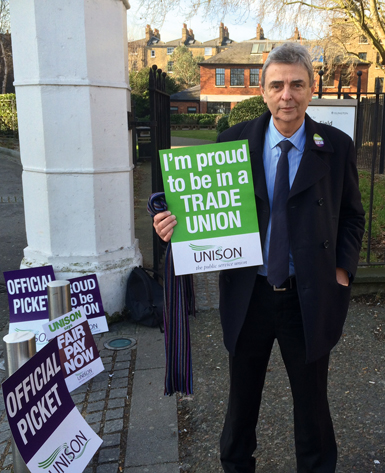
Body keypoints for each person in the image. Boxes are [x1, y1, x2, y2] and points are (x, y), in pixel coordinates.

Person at [153, 42, 365, 473]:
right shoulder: (231, 142)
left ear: (311, 88)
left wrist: (341, 271)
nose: (287, 95)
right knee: (241, 400)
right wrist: (172, 228)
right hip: (249, 295)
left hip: (307, 296)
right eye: (277, 85)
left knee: (312, 404)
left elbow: (352, 218)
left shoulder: (336, 146)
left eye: (296, 84)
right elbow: (204, 211)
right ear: (264, 91)